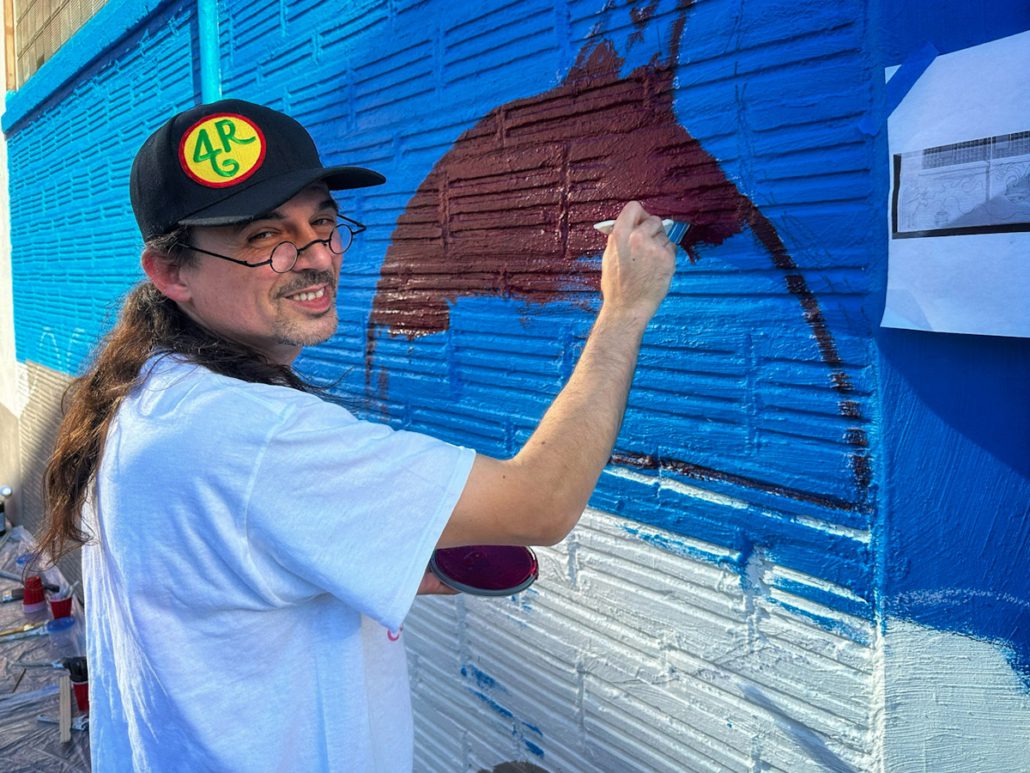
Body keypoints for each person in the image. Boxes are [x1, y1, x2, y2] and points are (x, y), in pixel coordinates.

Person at [40, 99, 676, 771]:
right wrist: (625, 308)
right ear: (171, 273)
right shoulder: (249, 434)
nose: (314, 258)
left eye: (322, 223)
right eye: (263, 238)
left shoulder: (145, 391)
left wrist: (356, 555)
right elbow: (542, 500)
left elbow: (229, 560)